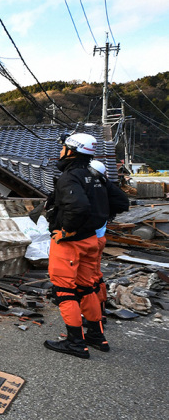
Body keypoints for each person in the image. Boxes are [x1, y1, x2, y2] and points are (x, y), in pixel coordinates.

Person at [43, 133, 109, 359]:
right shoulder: (94, 176)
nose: (60, 151)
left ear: (71, 151)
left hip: (71, 243)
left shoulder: (70, 177)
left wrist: (66, 231)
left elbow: (78, 207)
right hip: (91, 239)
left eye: (63, 147)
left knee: (64, 290)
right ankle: (96, 335)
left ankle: (75, 343)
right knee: (87, 287)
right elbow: (113, 202)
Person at [86, 159, 130, 333]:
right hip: (99, 238)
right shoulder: (106, 189)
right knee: (96, 276)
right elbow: (122, 203)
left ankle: (92, 316)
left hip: (89, 239)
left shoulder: (92, 190)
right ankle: (99, 310)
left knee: (86, 279)